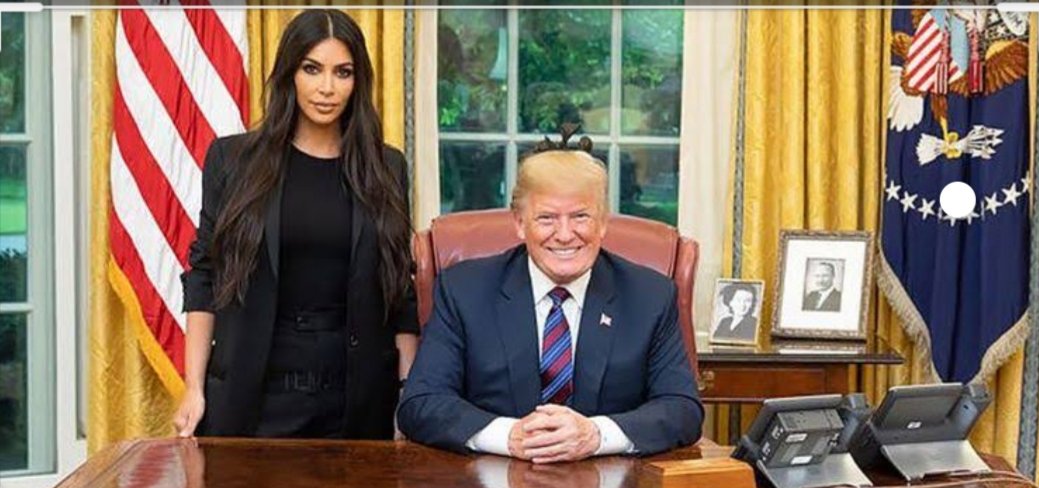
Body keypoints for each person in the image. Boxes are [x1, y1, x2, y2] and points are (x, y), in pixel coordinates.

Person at [173, 10, 418, 439]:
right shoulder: (233, 160)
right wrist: (194, 387)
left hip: (359, 400)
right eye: (312, 69)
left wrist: (406, 395)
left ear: (358, 81)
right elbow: (204, 275)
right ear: (289, 73)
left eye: (343, 72)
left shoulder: (386, 167)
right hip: (253, 395)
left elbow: (400, 290)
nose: (327, 88)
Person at [397, 129, 703, 462]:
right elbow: (421, 403)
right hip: (490, 482)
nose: (565, 235)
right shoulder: (464, 290)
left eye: (580, 216)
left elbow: (682, 409)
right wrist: (509, 436)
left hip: (615, 484)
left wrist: (596, 435)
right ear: (519, 223)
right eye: (546, 218)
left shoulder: (650, 296)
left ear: (603, 222)